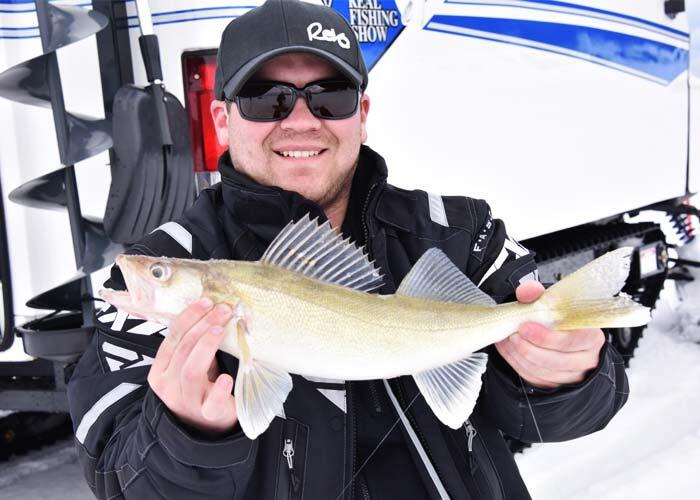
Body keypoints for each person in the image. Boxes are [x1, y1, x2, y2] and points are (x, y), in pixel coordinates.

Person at [67, 1, 628, 499]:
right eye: (268, 99)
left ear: (361, 116)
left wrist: (566, 376)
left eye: (329, 97)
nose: (302, 121)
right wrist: (187, 434)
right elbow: (119, 479)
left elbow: (573, 413)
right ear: (221, 120)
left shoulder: (460, 233)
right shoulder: (169, 262)